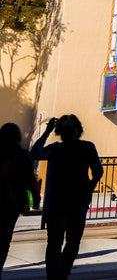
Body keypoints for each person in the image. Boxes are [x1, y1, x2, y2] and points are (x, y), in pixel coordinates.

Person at [30, 115, 103, 280]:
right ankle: (55, 276)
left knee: (71, 242)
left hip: (76, 203)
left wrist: (89, 187)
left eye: (71, 128)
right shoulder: (55, 149)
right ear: (60, 132)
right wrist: (46, 132)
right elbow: (35, 153)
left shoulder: (86, 147)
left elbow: (98, 171)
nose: (68, 132)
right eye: (64, 129)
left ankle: (62, 272)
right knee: (55, 243)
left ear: (78, 130)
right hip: (58, 204)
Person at [1, 122, 40, 277]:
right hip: (13, 203)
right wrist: (35, 198)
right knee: (5, 239)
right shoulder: (22, 156)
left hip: (9, 202)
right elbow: (30, 179)